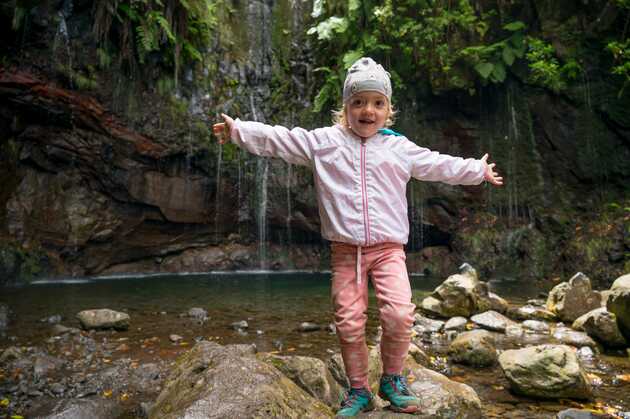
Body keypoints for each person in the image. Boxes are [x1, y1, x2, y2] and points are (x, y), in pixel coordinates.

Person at [213, 57, 503, 417]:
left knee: (399, 314)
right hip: (345, 251)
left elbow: (437, 163)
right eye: (359, 102)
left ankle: (393, 379)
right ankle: (359, 390)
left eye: (377, 103)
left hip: (388, 250)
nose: (368, 110)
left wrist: (477, 169)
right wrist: (238, 130)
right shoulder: (323, 143)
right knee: (349, 320)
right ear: (346, 107)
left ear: (388, 110)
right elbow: (280, 139)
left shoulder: (399, 148)